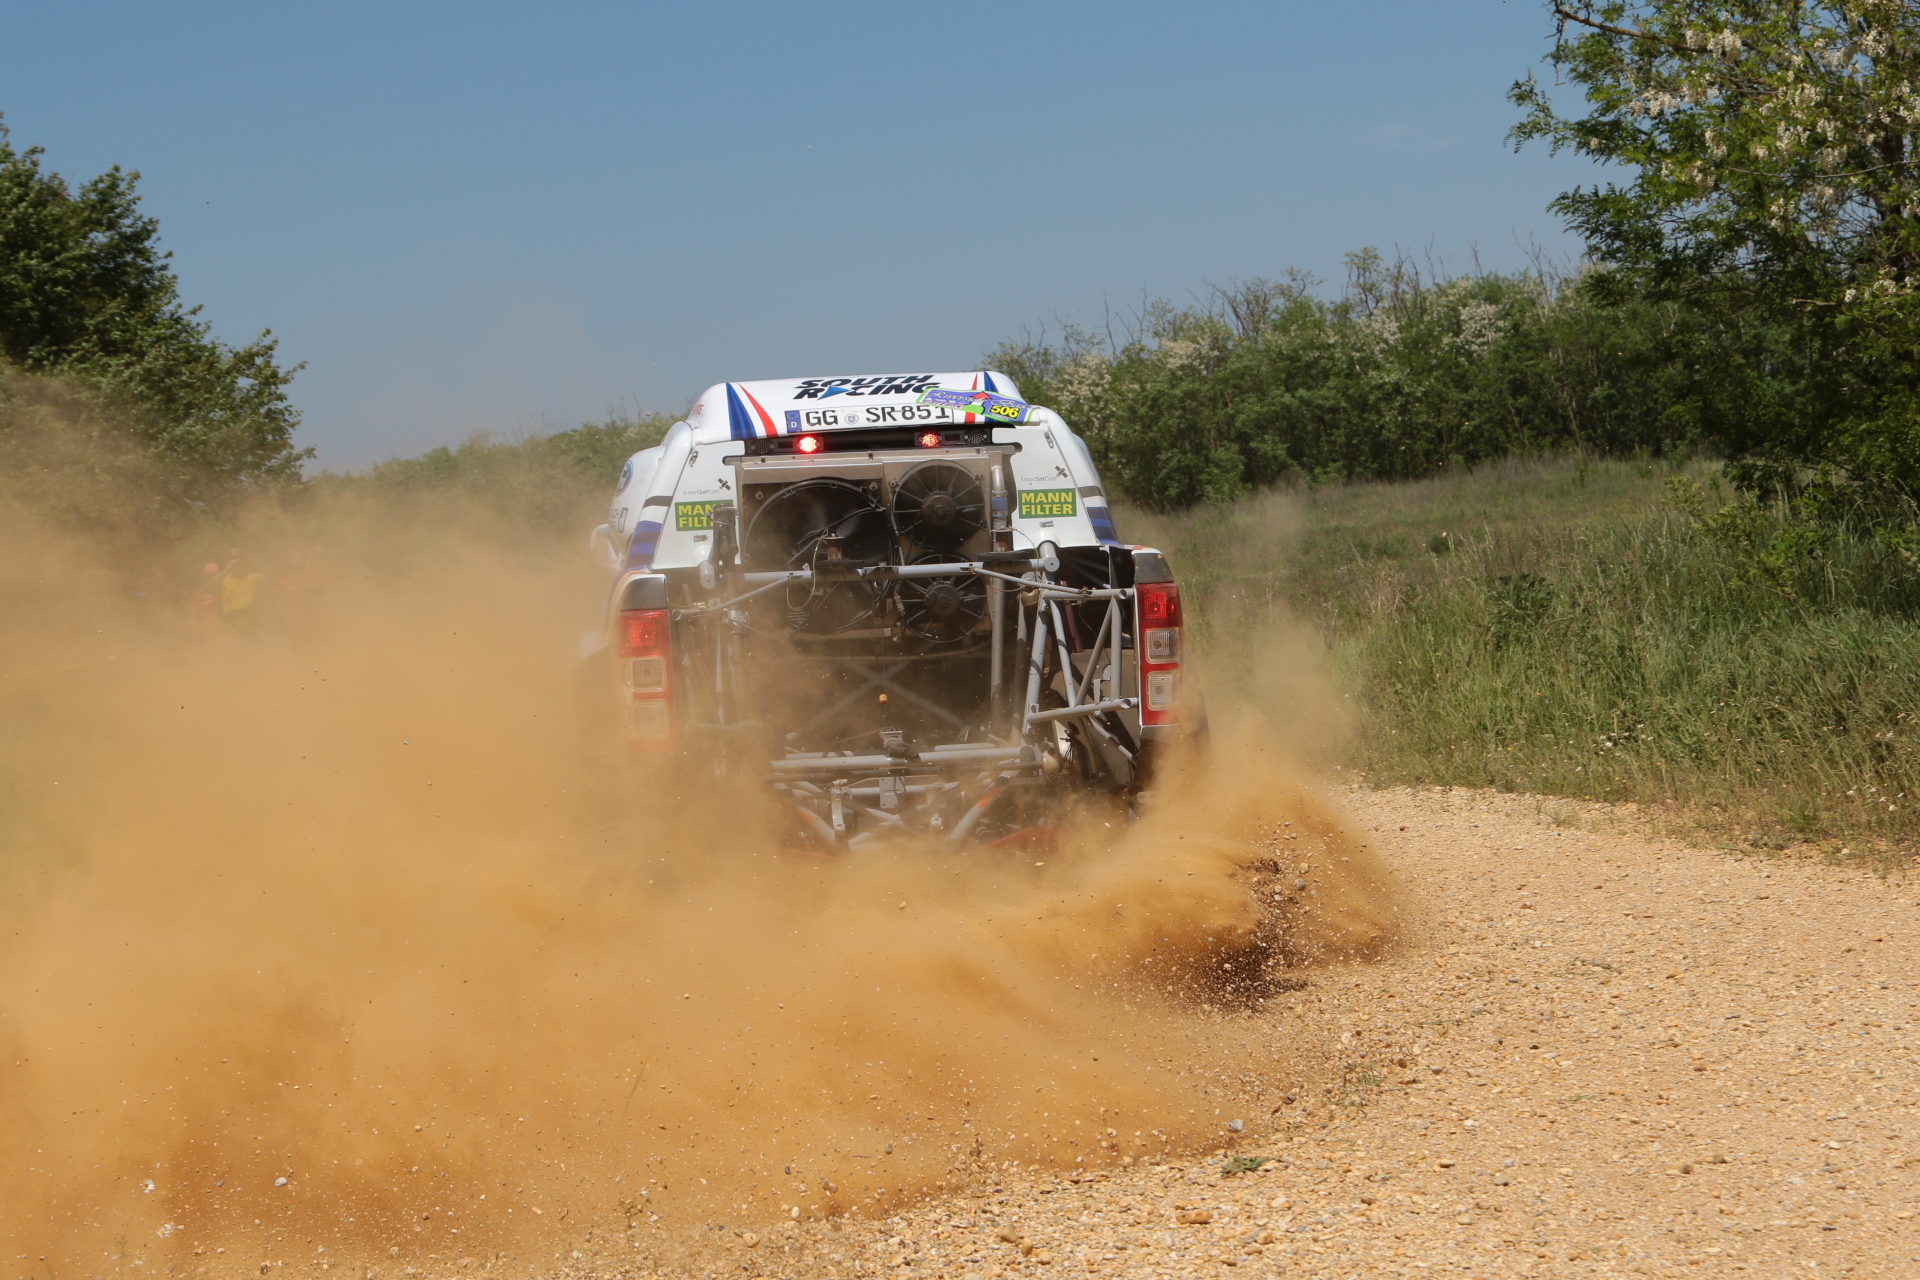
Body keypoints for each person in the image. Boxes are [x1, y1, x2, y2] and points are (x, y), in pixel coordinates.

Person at [219, 550, 268, 639]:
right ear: (227, 560)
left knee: (254, 643)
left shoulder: (252, 577)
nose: (236, 560)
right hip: (231, 618)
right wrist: (227, 569)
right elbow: (208, 586)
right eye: (232, 557)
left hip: (249, 618)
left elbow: (267, 578)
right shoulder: (224, 580)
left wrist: (257, 563)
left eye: (239, 558)